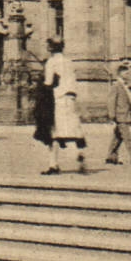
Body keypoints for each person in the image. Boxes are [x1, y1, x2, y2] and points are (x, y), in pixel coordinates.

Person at [40, 38, 86, 175]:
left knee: (53, 133)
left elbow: (48, 83)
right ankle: (79, 154)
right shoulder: (69, 62)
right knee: (73, 130)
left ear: (51, 48)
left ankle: (53, 165)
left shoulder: (51, 62)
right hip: (71, 98)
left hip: (58, 99)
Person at [105, 63, 131, 166]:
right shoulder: (116, 86)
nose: (128, 74)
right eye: (126, 72)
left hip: (125, 116)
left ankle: (110, 157)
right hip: (121, 116)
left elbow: (128, 102)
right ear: (120, 73)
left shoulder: (124, 85)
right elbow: (111, 101)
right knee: (127, 138)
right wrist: (112, 116)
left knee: (117, 137)